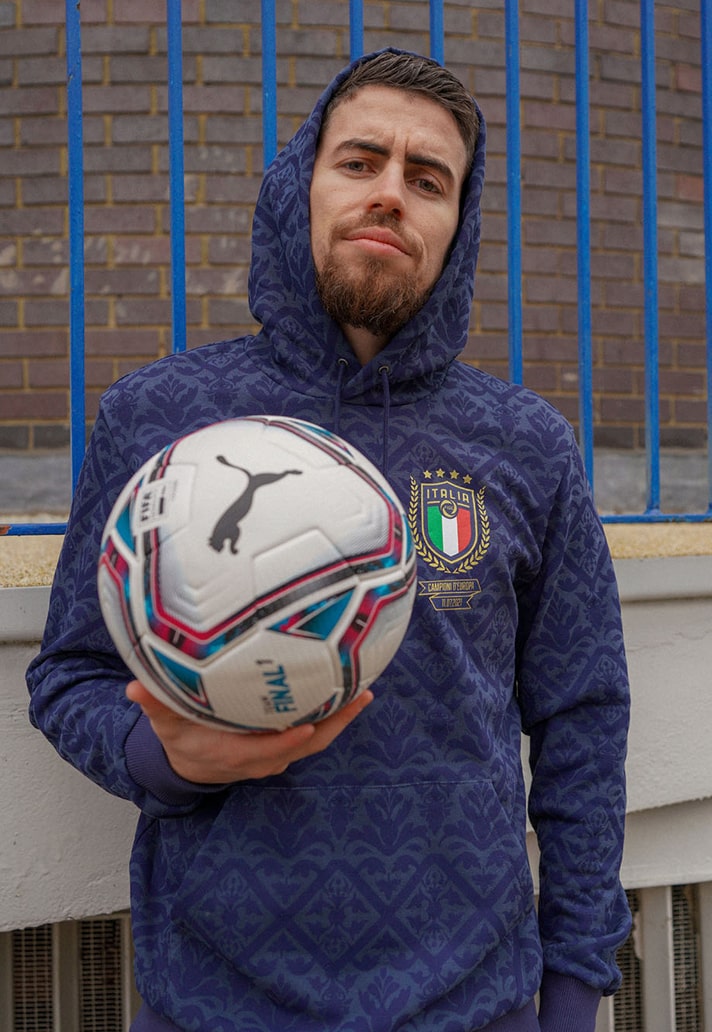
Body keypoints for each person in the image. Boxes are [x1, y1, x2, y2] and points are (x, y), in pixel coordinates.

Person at [26, 48, 631, 1032]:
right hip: (214, 1001)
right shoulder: (162, 420)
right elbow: (70, 675)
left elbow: (584, 723)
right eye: (359, 162)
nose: (390, 192)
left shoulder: (524, 444)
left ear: (458, 225)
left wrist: (572, 989)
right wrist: (161, 756)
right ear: (298, 189)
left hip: (473, 1003)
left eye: (427, 179)